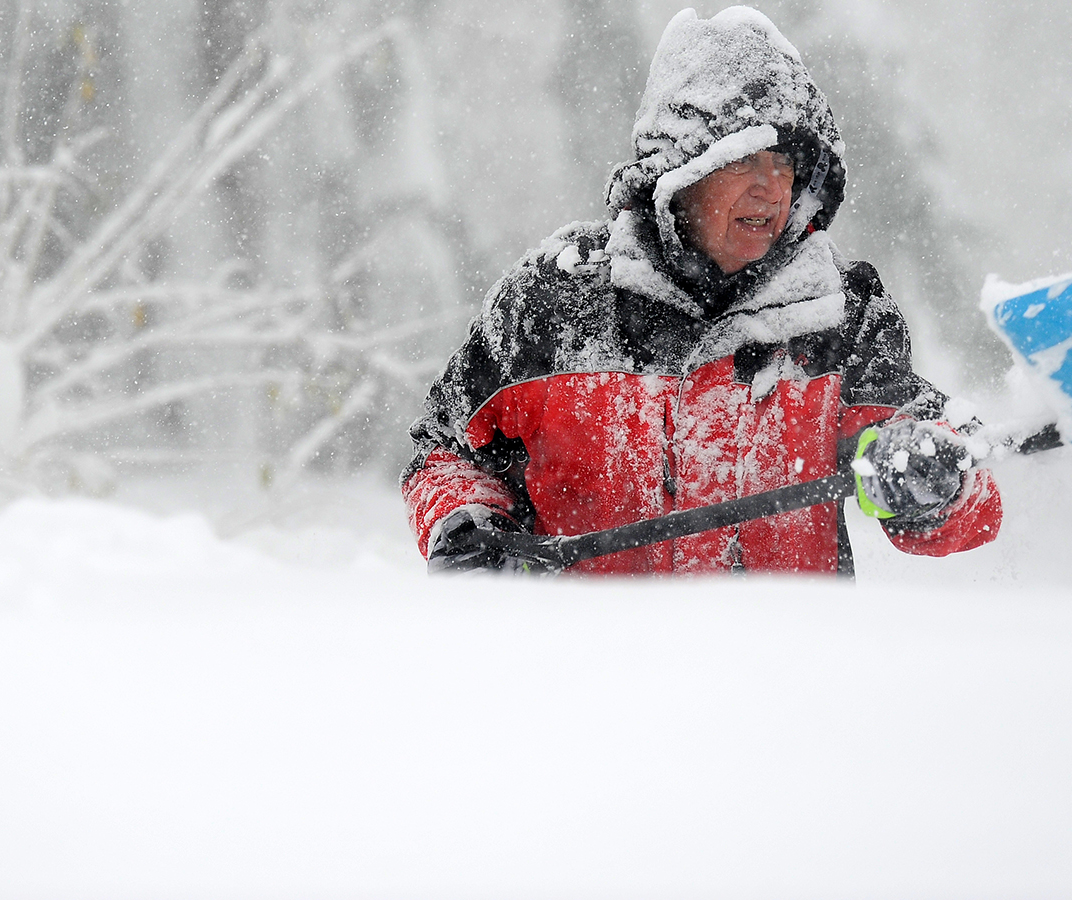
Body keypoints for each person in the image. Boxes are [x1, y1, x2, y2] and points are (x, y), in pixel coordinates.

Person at [402, 6, 1002, 575]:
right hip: (586, 650)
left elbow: (958, 482)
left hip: (789, 651)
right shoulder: (553, 304)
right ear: (679, 170)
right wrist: (469, 524)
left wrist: (932, 480)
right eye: (746, 160)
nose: (772, 188)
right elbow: (443, 450)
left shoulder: (839, 313)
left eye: (786, 165)